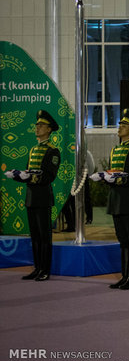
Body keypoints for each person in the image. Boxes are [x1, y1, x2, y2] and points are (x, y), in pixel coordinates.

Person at [90, 109, 129, 290]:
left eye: (124, 125)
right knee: (123, 240)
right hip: (116, 199)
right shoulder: (116, 150)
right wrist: (105, 177)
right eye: (120, 124)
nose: (120, 127)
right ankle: (125, 276)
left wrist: (118, 179)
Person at [5, 110, 60, 281]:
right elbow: (29, 171)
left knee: (44, 236)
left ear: (49, 129)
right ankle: (37, 268)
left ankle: (45, 269)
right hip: (31, 197)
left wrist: (30, 176)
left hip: (43, 197)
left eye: (41, 125)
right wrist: (18, 176)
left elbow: (49, 176)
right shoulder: (33, 150)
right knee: (34, 236)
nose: (37, 128)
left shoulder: (53, 151)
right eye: (37, 125)